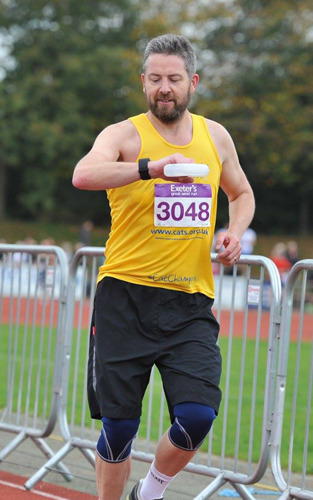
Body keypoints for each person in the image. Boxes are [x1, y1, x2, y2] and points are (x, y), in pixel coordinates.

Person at [72, 34, 255, 500]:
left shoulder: (215, 136)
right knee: (119, 426)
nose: (164, 88)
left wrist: (233, 231)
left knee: (197, 415)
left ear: (192, 81)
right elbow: (84, 174)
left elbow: (242, 192)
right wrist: (149, 169)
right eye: (155, 79)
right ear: (144, 83)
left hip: (190, 301)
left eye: (174, 79)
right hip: (125, 297)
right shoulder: (124, 135)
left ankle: (149, 493)